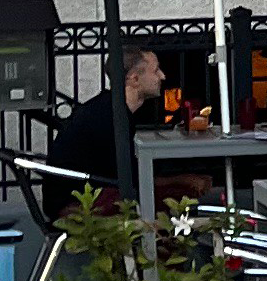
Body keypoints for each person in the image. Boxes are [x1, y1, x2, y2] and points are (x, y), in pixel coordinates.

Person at [43, 46, 205, 209]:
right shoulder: (110, 117)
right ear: (134, 79)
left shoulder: (109, 109)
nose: (162, 76)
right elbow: (132, 178)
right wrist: (183, 180)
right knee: (179, 195)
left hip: (83, 195)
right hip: (79, 206)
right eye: (156, 71)